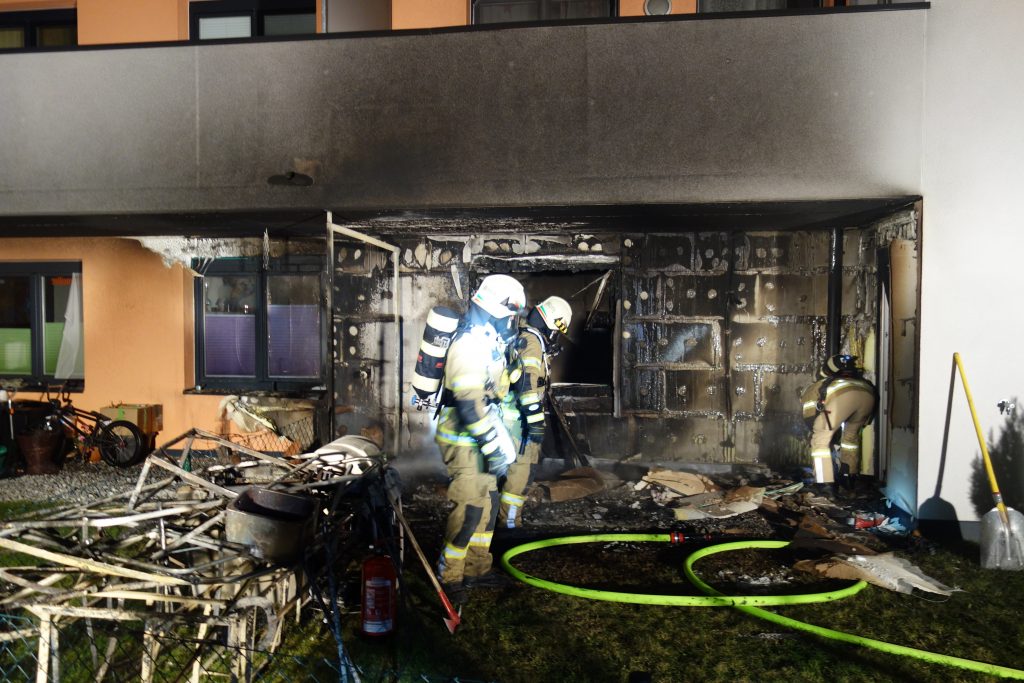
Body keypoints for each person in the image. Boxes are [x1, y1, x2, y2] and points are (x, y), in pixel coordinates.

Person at [434, 274, 526, 601]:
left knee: (488, 505)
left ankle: (477, 569)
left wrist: (513, 358)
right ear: (496, 310)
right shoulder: (468, 344)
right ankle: (449, 577)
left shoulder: (489, 342)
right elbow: (469, 403)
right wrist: (492, 446)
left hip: (482, 440)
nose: (513, 322)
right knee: (469, 509)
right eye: (510, 316)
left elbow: (501, 389)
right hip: (464, 443)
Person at [497, 296, 573, 529]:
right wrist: (535, 421)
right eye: (555, 331)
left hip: (514, 419)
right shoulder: (532, 342)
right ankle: (510, 525)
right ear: (550, 324)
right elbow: (527, 383)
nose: (554, 336)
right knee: (520, 474)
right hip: (520, 422)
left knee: (520, 472)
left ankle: (506, 519)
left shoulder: (526, 336)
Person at [801, 354, 876, 492]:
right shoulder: (860, 381)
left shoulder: (820, 385)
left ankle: (824, 484)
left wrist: (817, 430)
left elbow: (809, 413)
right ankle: (848, 477)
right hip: (868, 396)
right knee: (850, 439)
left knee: (820, 441)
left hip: (843, 398)